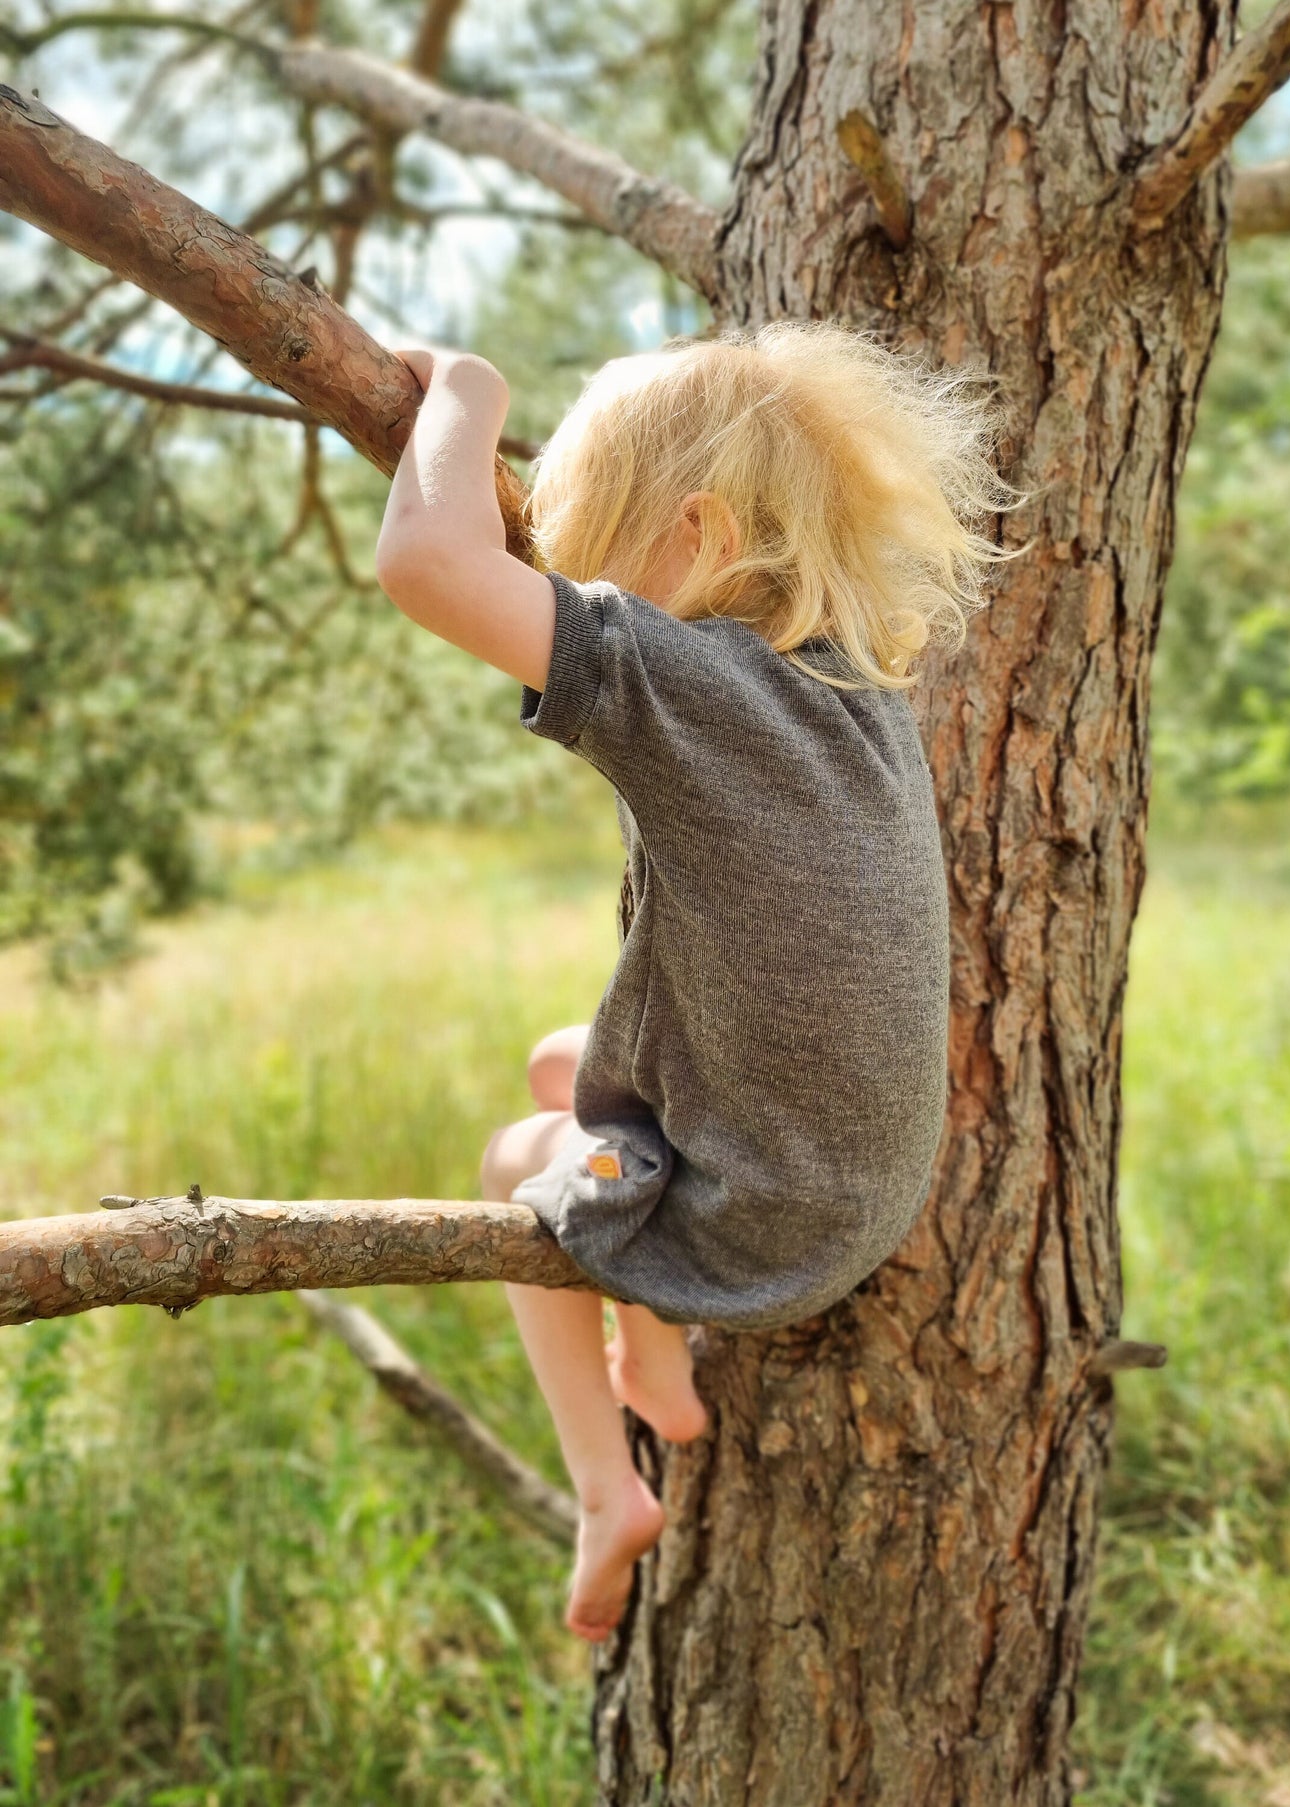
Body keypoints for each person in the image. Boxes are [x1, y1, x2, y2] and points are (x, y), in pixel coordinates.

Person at [374, 320, 1021, 1643]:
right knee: (559, 1064)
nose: (577, 595)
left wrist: (469, 393)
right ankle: (655, 1349)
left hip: (762, 1218)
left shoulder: (683, 675)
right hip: (857, 1182)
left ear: (702, 534)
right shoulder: (851, 691)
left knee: (513, 1154)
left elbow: (430, 565)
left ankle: (605, 1487)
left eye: (594, 558)